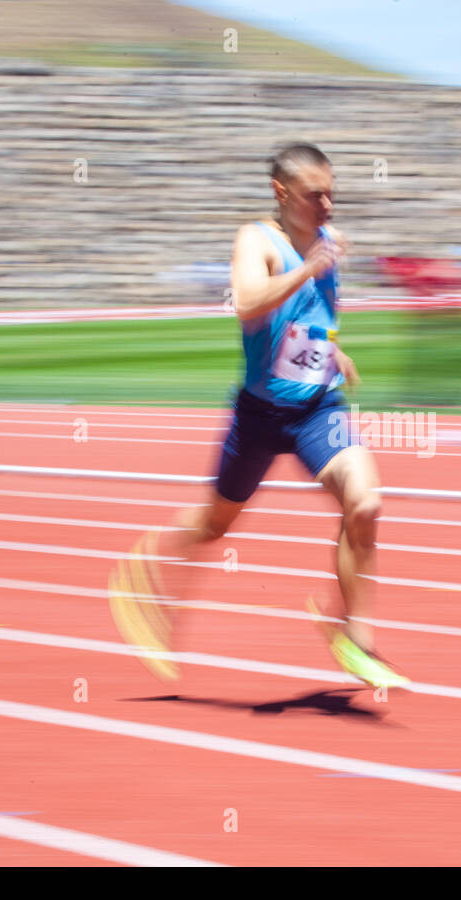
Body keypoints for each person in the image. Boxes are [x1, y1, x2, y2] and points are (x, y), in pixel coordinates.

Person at [110, 143, 407, 690]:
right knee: (216, 527)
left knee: (365, 503)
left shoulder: (329, 244)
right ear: (282, 192)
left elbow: (313, 318)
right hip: (260, 418)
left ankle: (354, 639)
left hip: (319, 408)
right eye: (316, 195)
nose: (327, 206)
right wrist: (309, 268)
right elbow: (247, 303)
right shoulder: (257, 239)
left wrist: (331, 349)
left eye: (332, 195)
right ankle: (155, 559)